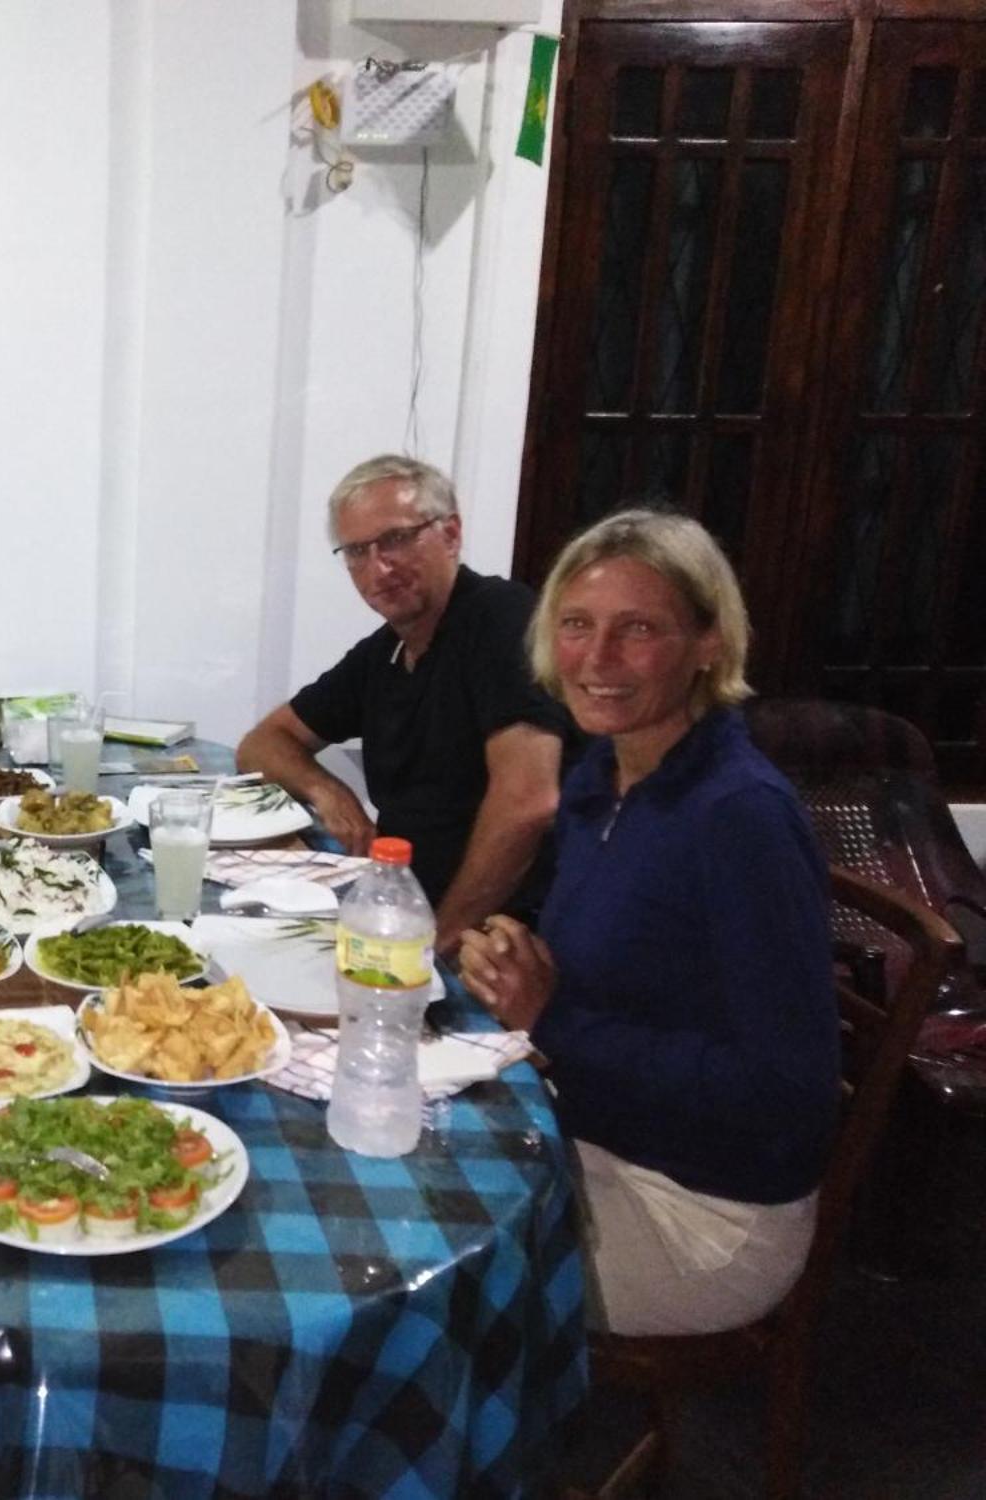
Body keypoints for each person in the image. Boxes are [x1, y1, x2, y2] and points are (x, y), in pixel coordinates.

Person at [458, 509, 838, 1337]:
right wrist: (513, 954)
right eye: (577, 626)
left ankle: (487, 1458)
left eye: (639, 630)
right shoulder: (610, 773)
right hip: (599, 1130)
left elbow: (789, 1092)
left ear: (708, 642)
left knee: (433, 1271)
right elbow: (621, 964)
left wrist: (552, 1016)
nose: (598, 660)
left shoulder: (738, 819)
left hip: (703, 1212)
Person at [237, 455, 569, 951]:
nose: (379, 567)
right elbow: (261, 744)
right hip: (402, 907)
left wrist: (438, 943)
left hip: (501, 937)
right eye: (356, 551)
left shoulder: (501, 621)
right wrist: (330, 793)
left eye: (396, 539)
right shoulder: (387, 651)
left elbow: (529, 802)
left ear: (451, 535)